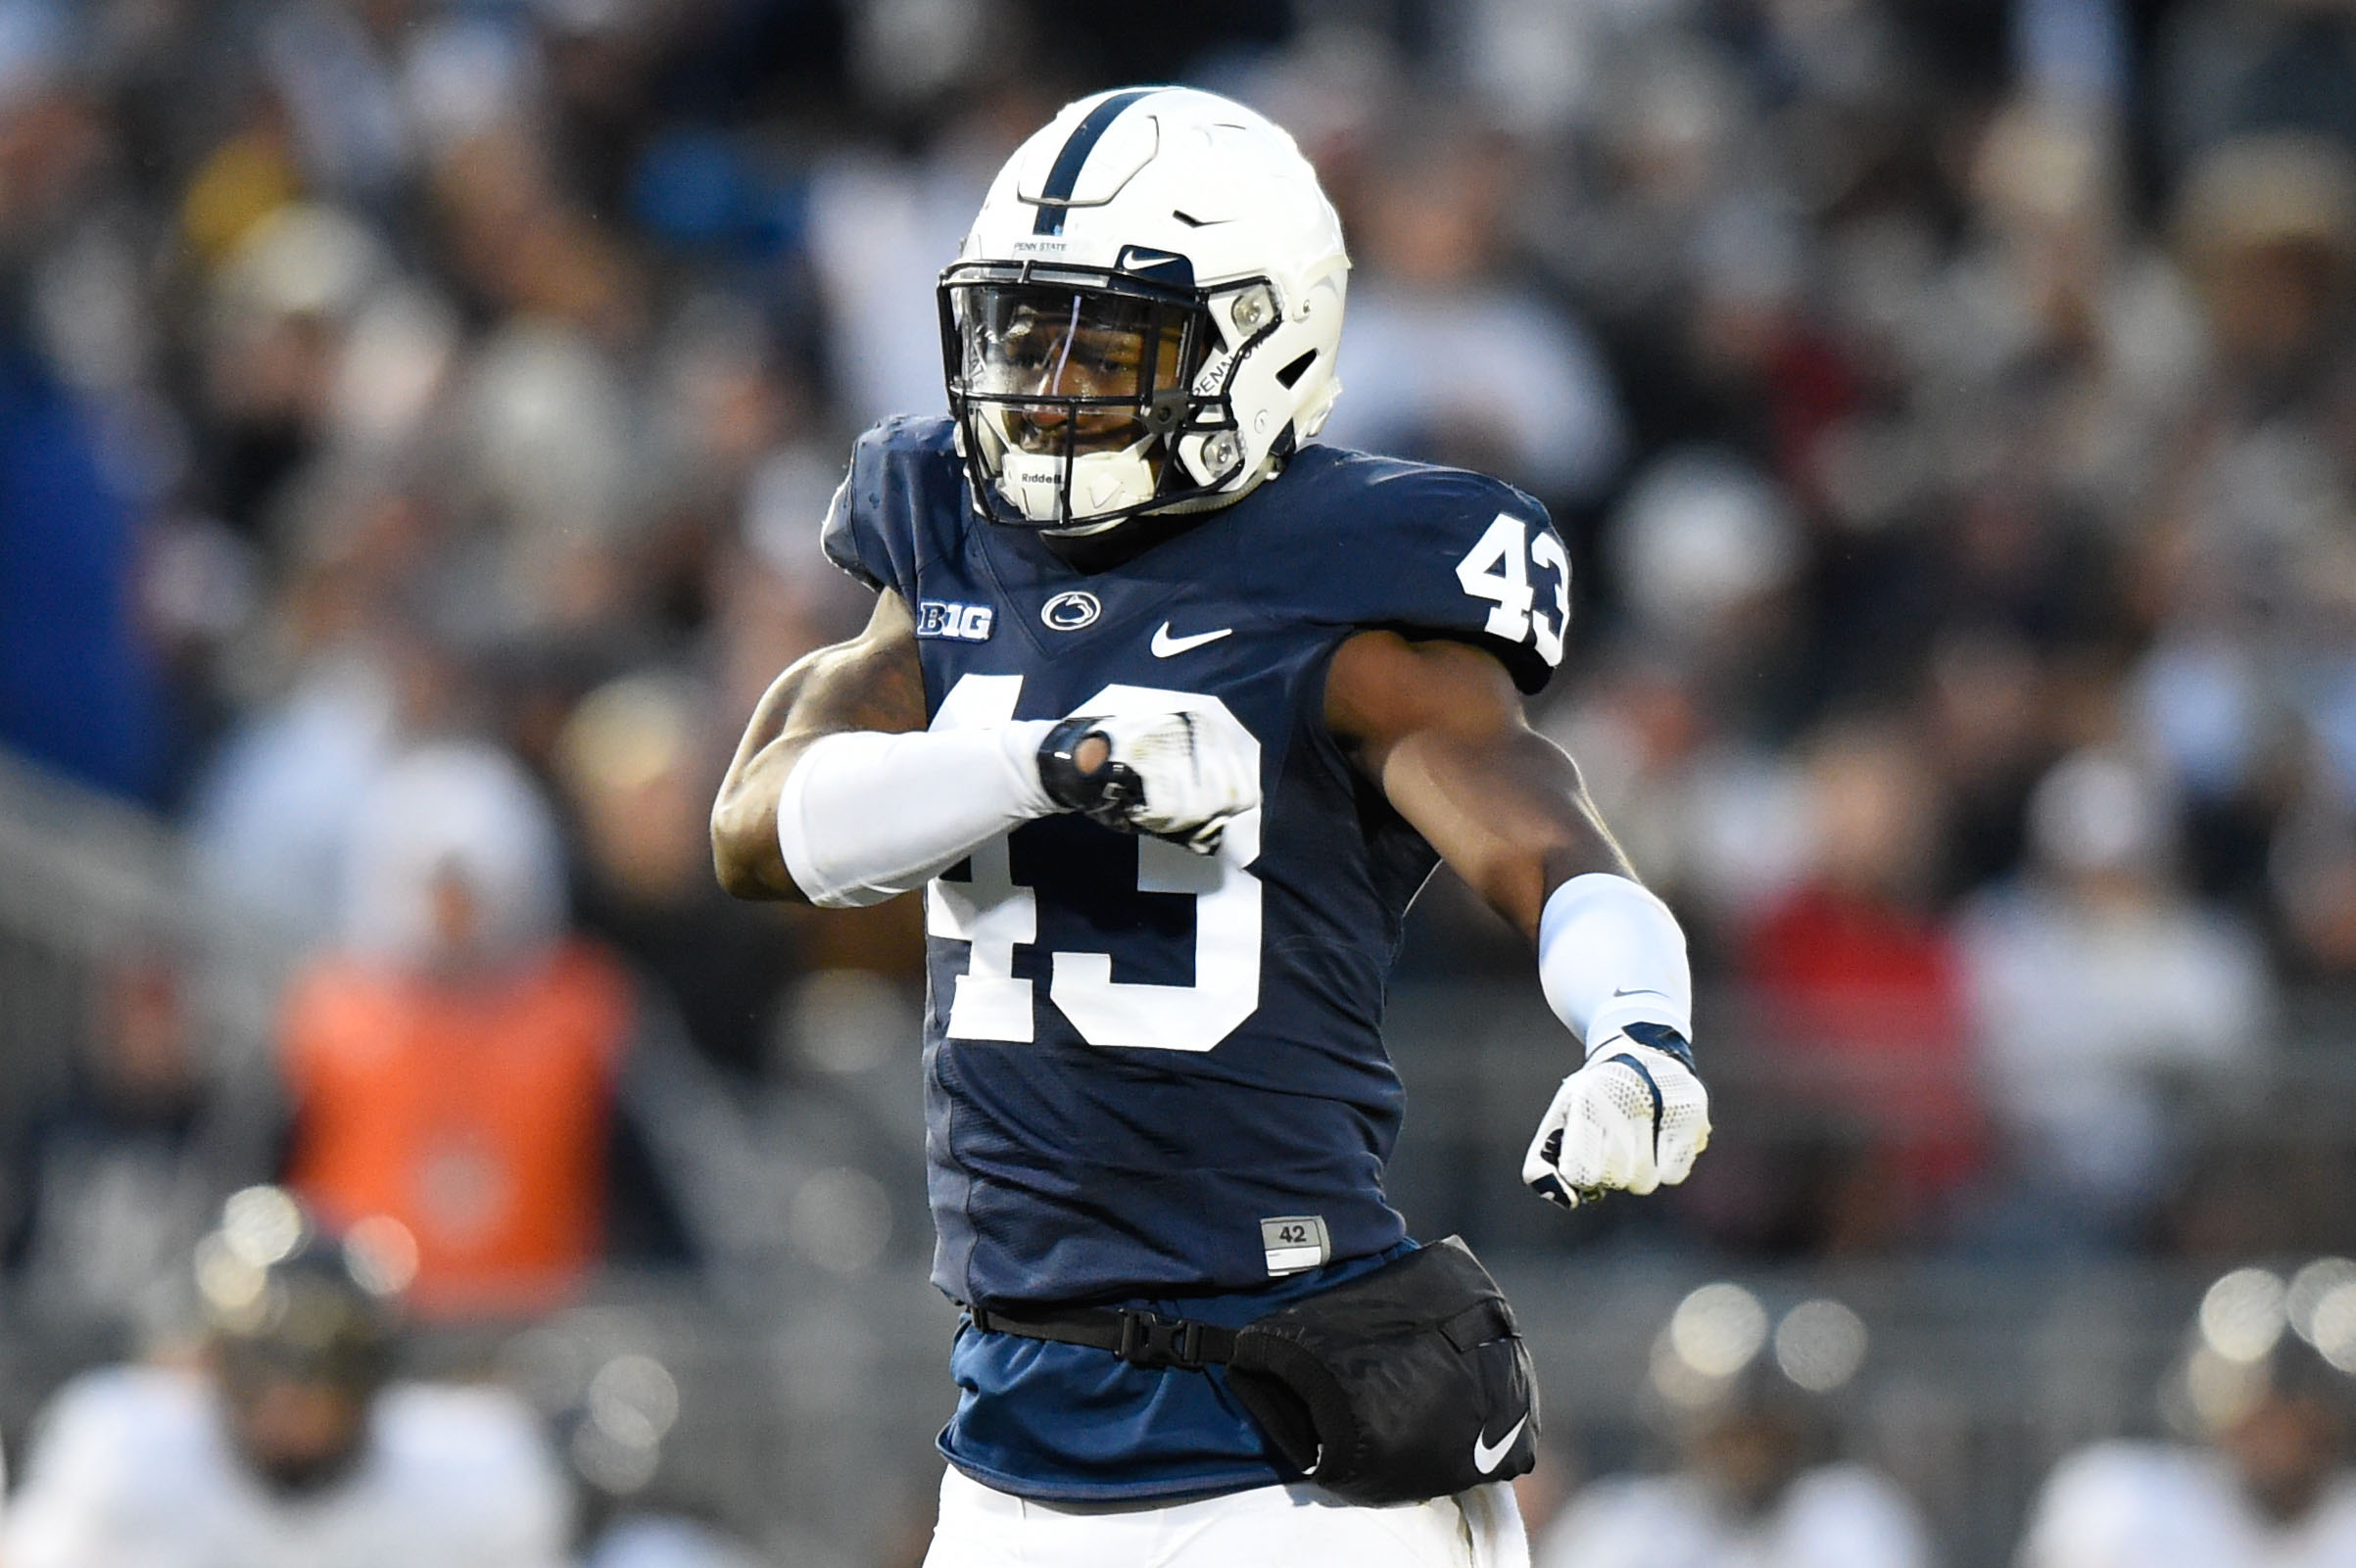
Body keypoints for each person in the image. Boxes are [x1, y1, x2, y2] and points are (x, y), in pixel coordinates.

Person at [710, 85, 1712, 1565]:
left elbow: (1545, 845)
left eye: (1106, 347)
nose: (1045, 390)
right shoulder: (950, 540)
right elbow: (756, 826)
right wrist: (1045, 765)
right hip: (1015, 1424)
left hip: (1292, 1445)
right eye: (1020, 336)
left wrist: (1637, 1031)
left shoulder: (1347, 587)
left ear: (1268, 342)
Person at [0, 1186, 572, 1568]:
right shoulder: (122, 1456)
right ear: (213, 1365)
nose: (290, 1397)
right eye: (263, 1366)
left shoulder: (473, 1475)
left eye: (325, 1367)